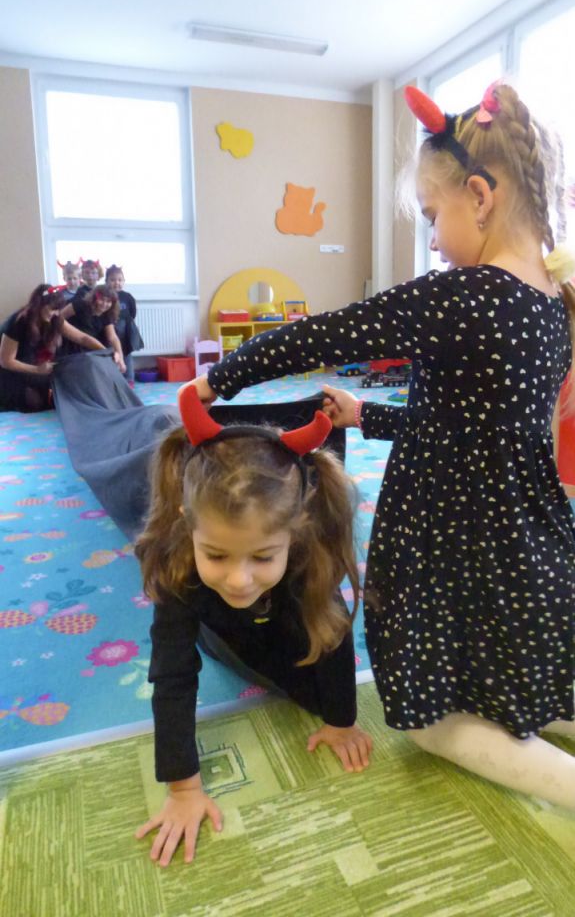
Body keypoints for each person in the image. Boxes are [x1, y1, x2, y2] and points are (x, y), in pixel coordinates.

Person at [191, 81, 575, 810]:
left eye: (432, 216)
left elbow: (324, 333)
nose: (431, 240)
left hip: (449, 542)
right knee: (511, 682)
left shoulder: (462, 295)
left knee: (429, 722)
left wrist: (221, 378)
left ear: (479, 196)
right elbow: (471, 424)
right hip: (526, 546)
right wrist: (366, 414)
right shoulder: (550, 304)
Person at [134, 384, 373, 866]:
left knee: (313, 684)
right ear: (188, 526)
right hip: (218, 630)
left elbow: (330, 631)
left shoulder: (306, 554)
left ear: (294, 533)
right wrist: (183, 788)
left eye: (262, 556)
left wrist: (341, 722)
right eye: (217, 554)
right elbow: (173, 674)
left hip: (280, 608)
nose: (239, 579)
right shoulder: (180, 567)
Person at [0, 283, 104, 411]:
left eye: (58, 310)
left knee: (57, 400)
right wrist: (37, 370)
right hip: (13, 371)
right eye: (52, 309)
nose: (56, 313)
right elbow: (6, 361)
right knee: (35, 404)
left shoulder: (56, 319)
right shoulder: (19, 322)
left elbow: (82, 338)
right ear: (39, 305)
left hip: (35, 366)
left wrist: (104, 351)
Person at [60, 285, 126, 373]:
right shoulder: (80, 304)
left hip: (89, 346)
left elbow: (113, 337)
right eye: (102, 300)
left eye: (108, 301)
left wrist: (121, 359)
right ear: (94, 298)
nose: (104, 304)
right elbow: (59, 318)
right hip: (71, 344)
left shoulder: (107, 315)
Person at [105, 264, 144, 384]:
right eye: (112, 280)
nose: (116, 283)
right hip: (109, 332)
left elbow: (132, 313)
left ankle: (129, 380)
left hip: (125, 333)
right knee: (111, 356)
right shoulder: (105, 297)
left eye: (119, 280)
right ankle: (113, 381)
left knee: (126, 356)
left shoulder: (128, 297)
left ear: (123, 281)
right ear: (106, 281)